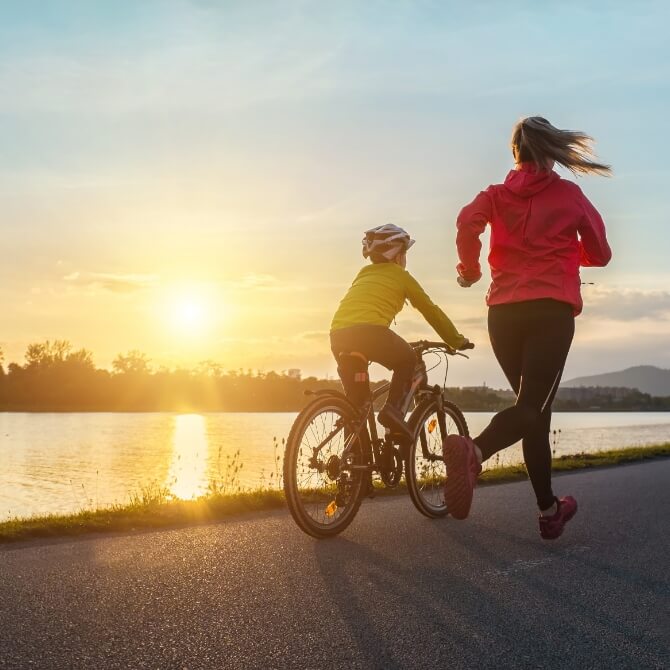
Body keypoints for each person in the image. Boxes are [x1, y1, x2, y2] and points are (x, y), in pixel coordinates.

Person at [444, 116, 612, 539]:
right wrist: (569, 256)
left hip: (502, 315)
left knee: (533, 413)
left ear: (514, 153)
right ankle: (474, 451)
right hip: (549, 312)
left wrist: (469, 269)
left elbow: (467, 222)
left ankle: (548, 510)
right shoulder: (569, 194)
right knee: (531, 409)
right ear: (551, 150)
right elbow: (601, 253)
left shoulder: (496, 195)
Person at [330, 224, 471, 440]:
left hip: (339, 335)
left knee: (356, 406)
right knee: (408, 360)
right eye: (404, 253)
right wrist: (456, 340)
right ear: (397, 255)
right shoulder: (401, 276)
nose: (405, 259)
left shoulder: (363, 273)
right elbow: (430, 310)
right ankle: (393, 412)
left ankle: (357, 466)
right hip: (371, 333)